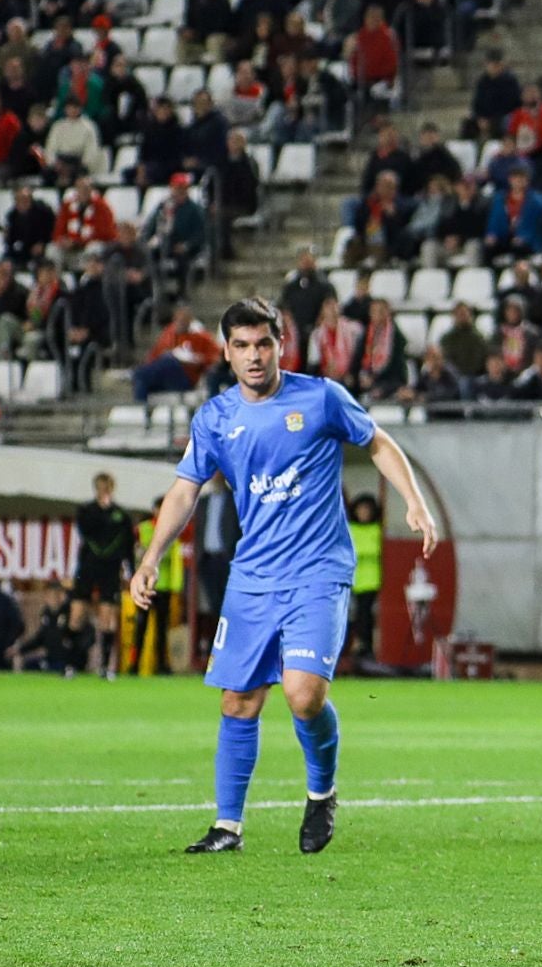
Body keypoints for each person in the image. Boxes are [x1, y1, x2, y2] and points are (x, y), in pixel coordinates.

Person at [130, 298, 439, 855]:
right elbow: (184, 490)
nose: (254, 356)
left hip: (318, 571)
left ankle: (322, 791)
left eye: (264, 344)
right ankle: (228, 828)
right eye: (242, 346)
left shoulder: (320, 397)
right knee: (238, 700)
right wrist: (151, 556)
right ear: (225, 352)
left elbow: (378, 442)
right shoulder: (217, 417)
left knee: (302, 696)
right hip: (253, 576)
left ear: (281, 345)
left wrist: (413, 501)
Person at [70, 473, 135, 680]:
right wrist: (103, 511)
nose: (103, 491)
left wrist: (131, 570)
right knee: (77, 613)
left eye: (106, 487)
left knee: (108, 616)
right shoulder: (86, 511)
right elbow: (86, 529)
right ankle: (71, 664)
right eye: (100, 487)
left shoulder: (122, 515)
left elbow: (128, 546)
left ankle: (106, 667)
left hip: (110, 569)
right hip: (88, 567)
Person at [130, 496, 184, 675]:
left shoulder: (173, 530)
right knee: (140, 628)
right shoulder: (143, 529)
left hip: (164, 586)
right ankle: (134, 665)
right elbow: (135, 554)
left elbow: (176, 559)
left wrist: (176, 586)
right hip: (145, 586)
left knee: (162, 629)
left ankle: (161, 665)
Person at [347, 494, 382, 660]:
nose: (363, 513)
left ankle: (365, 650)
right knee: (347, 618)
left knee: (366, 618)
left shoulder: (378, 530)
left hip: (370, 582)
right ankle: (347, 649)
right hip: (350, 581)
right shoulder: (349, 528)